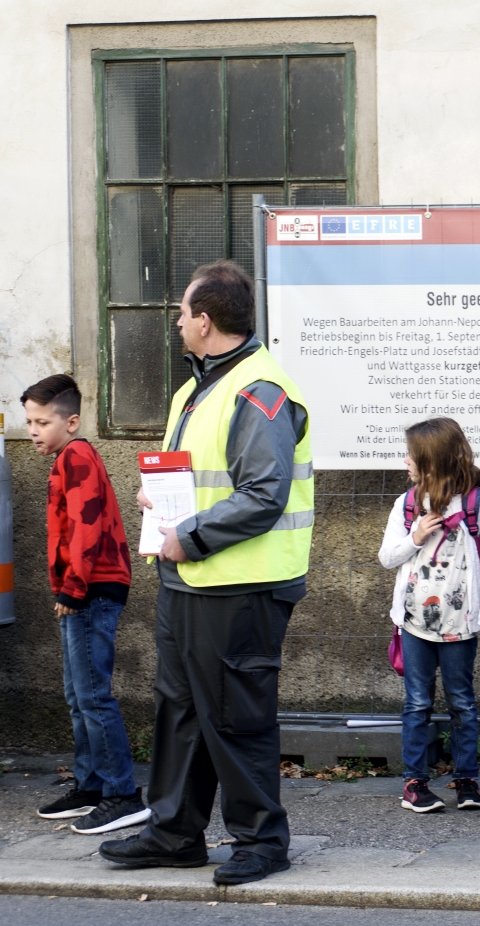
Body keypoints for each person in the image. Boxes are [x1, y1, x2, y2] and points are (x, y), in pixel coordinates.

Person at [98, 260, 312, 886]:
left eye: (184, 312)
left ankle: (261, 839)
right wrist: (160, 504)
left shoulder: (259, 391)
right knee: (182, 711)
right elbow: (204, 481)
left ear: (207, 321)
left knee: (235, 715)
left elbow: (263, 493)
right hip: (193, 580)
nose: (177, 322)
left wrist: (187, 537)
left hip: (239, 584)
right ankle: (174, 832)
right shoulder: (196, 390)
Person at [22, 375, 148, 835]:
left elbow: (86, 526)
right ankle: (93, 785)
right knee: (79, 696)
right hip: (81, 591)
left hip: (92, 591)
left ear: (71, 421)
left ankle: (123, 795)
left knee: (93, 695)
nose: (33, 430)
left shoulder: (76, 456)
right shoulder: (65, 459)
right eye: (29, 421)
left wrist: (73, 590)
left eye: (42, 421)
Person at [378, 418, 480, 813]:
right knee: (416, 702)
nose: (406, 460)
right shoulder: (408, 504)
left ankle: (467, 780)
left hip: (459, 623)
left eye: (413, 454)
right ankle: (415, 783)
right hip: (413, 622)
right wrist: (416, 536)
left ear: (434, 460)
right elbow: (386, 556)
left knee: (462, 702)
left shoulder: (478, 504)